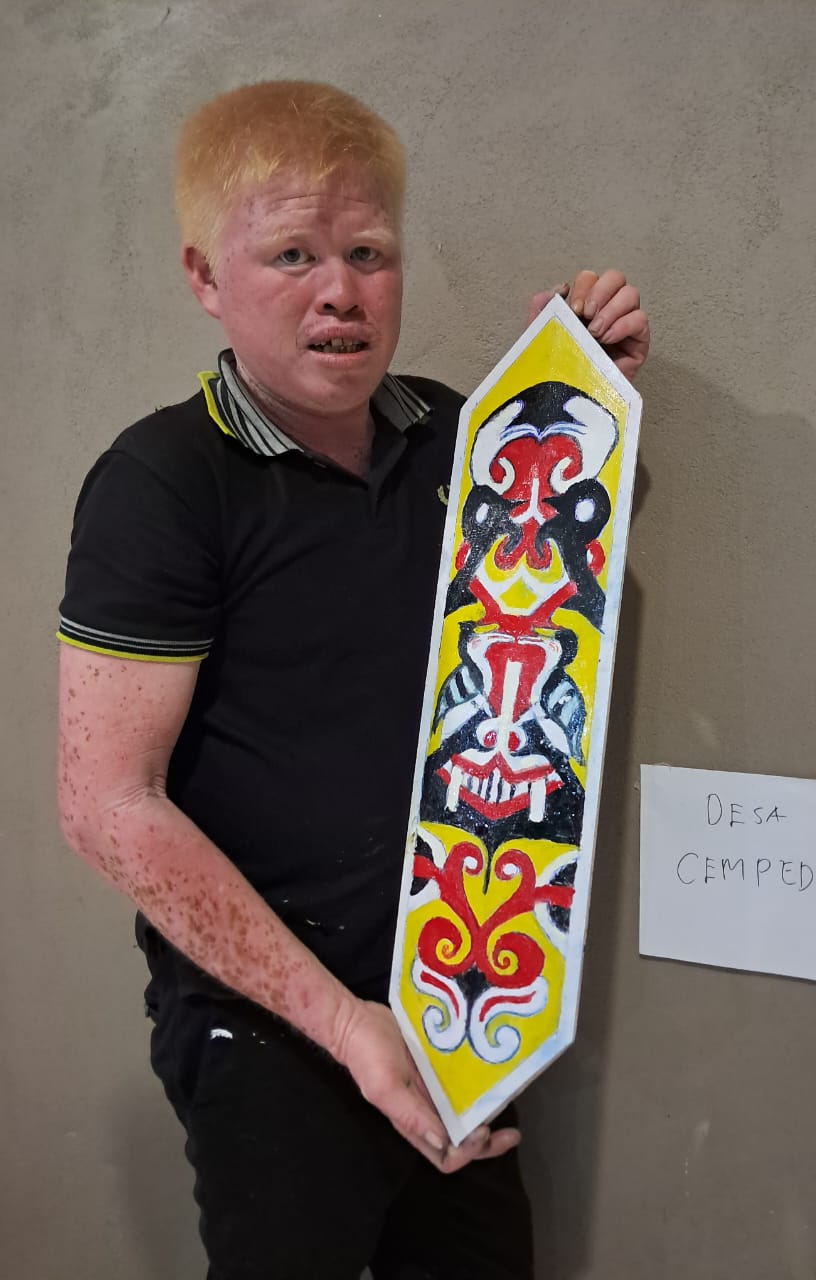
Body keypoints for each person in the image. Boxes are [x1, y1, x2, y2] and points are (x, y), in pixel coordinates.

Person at [56, 81, 650, 1279]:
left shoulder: (459, 435)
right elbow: (106, 806)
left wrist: (585, 399)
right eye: (293, 254)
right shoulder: (164, 482)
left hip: (462, 1001)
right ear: (205, 277)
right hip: (271, 1030)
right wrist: (341, 1021)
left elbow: (552, 596)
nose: (340, 289)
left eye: (368, 252)